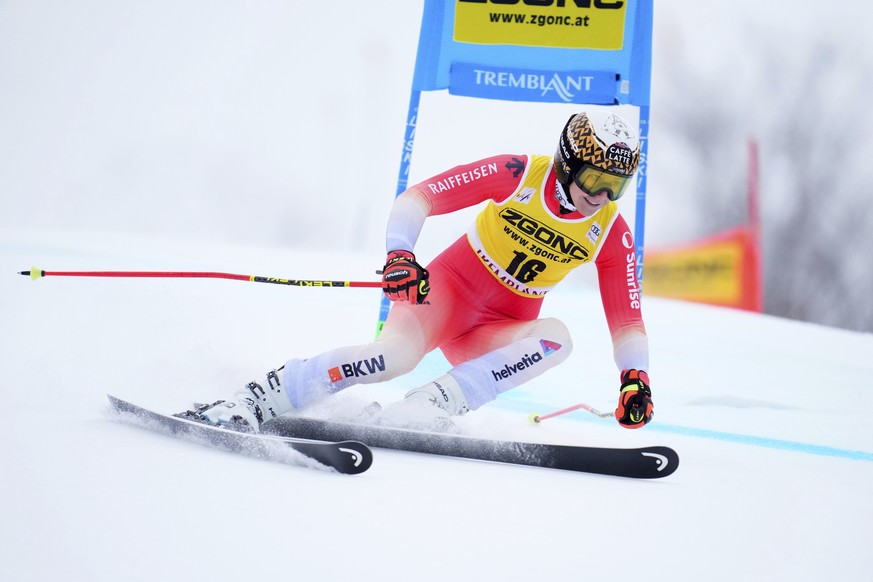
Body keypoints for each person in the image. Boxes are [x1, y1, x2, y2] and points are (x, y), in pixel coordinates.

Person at [187, 110, 654, 433]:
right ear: (568, 163)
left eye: (617, 186)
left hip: (495, 331)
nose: (602, 197)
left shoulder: (612, 230)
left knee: (556, 339)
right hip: (444, 297)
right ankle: (255, 399)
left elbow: (627, 317)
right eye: (595, 180)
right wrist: (400, 255)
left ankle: (430, 405)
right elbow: (420, 197)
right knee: (392, 359)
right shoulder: (519, 173)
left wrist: (636, 377)